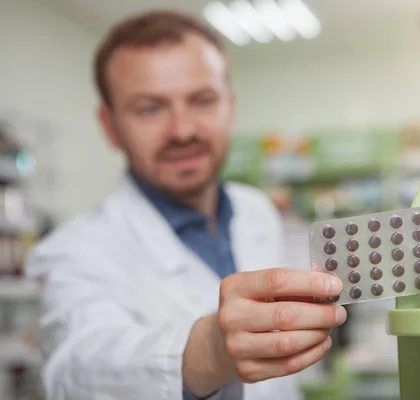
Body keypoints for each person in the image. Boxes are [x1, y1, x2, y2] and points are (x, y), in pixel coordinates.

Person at [25, 9, 347, 400]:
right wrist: (209, 350)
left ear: (230, 105)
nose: (183, 130)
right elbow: (77, 369)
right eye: (150, 108)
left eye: (202, 100)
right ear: (110, 126)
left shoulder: (257, 210)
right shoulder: (74, 251)